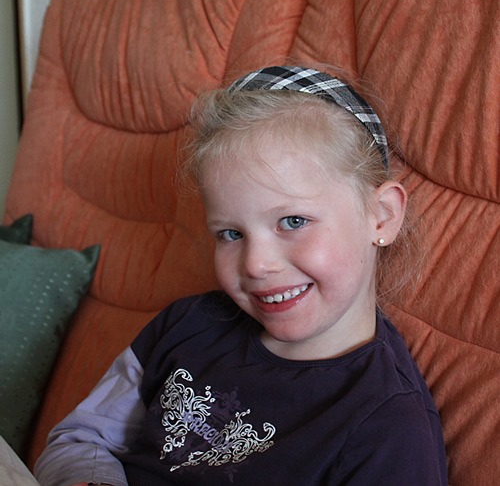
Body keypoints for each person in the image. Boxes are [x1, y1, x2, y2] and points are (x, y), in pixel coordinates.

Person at [34, 66, 448, 485]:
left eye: (293, 221)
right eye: (231, 234)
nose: (255, 264)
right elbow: (80, 439)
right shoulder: (186, 325)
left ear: (381, 217)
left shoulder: (390, 429)